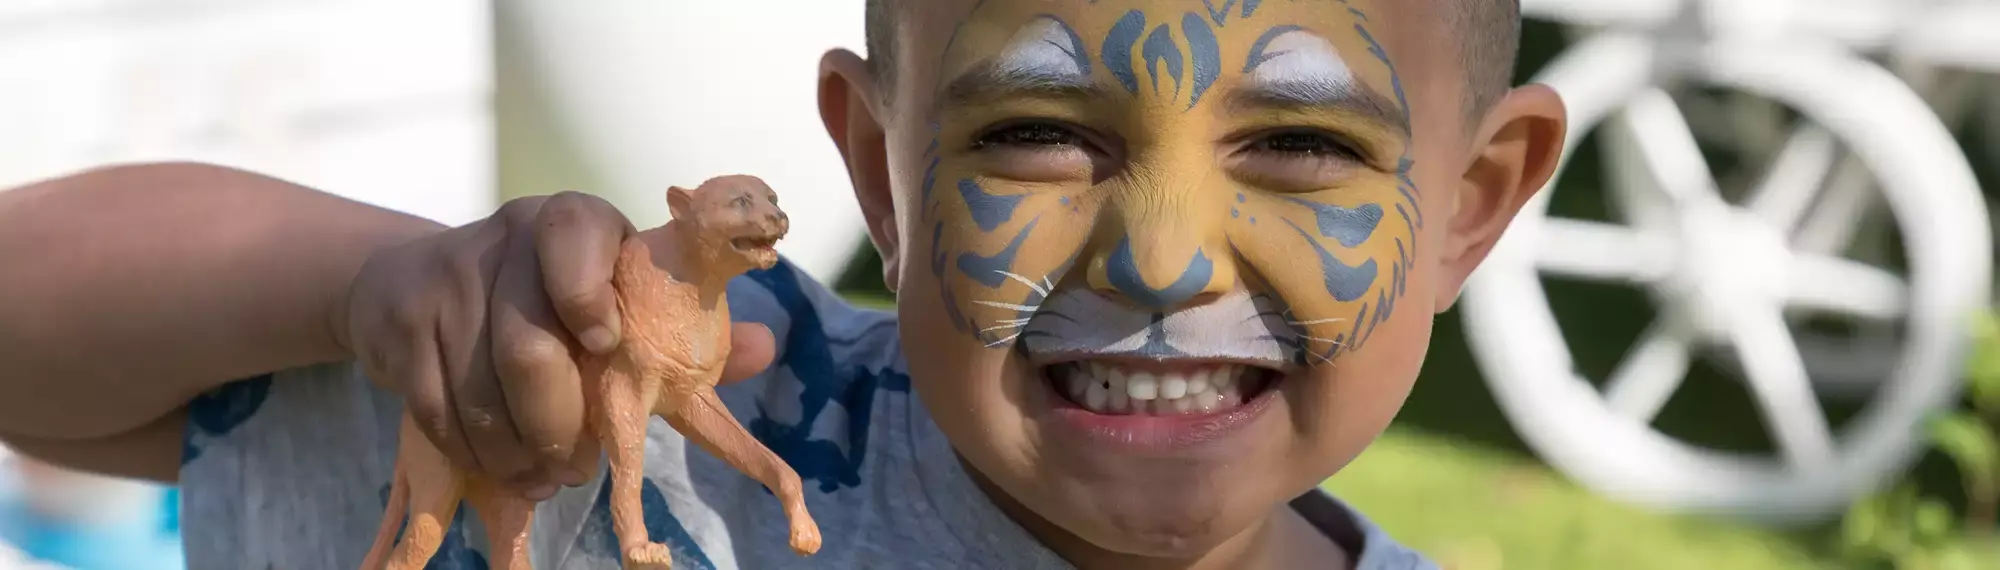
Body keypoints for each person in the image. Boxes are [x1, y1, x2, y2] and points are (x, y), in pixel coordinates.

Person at [0, 0, 1565, 567]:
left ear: (1472, 203)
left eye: (1296, 143)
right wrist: (362, 282)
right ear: (879, 174)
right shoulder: (664, 413)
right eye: (1038, 132)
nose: (1159, 259)